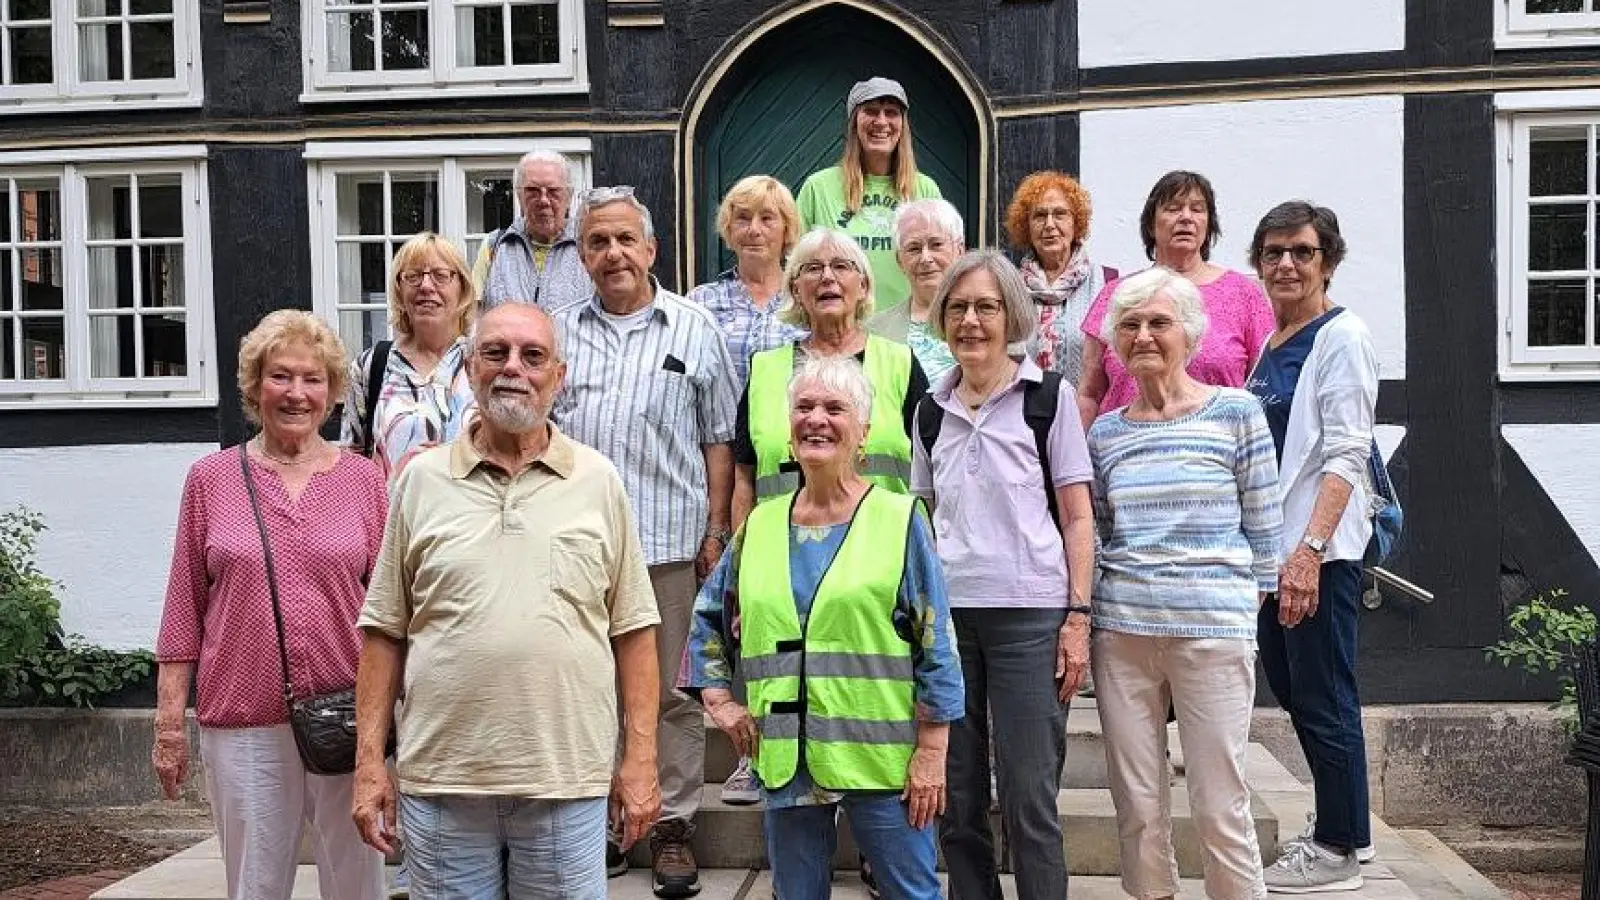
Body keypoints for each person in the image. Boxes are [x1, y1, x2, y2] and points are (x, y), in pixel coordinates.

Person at [350, 303, 663, 899]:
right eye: (495, 353)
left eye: (533, 355)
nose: (512, 368)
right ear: (469, 369)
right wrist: (369, 763)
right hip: (443, 784)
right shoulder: (420, 481)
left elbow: (635, 632)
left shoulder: (597, 481)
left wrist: (640, 759)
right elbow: (384, 630)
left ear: (559, 376)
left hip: (565, 782)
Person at [683, 355, 965, 900]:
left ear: (863, 432)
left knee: (912, 892)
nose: (816, 419)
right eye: (803, 407)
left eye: (835, 408)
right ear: (788, 431)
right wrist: (718, 698)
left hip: (883, 757)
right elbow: (708, 618)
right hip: (786, 755)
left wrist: (932, 752)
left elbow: (938, 642)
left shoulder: (900, 517)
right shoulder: (760, 524)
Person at [153, 310, 388, 900]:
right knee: (256, 885)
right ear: (256, 387)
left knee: (358, 882)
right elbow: (184, 605)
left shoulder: (364, 481)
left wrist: (397, 713)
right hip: (244, 723)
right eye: (280, 377)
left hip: (348, 718)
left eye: (312, 380)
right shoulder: (211, 479)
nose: (296, 393)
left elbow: (391, 610)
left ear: (333, 392)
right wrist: (168, 728)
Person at [552, 186, 739, 899]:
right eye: (597, 242)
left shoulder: (694, 330)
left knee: (670, 698)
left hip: (667, 545)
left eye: (625, 239)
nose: (613, 254)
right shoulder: (557, 333)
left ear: (651, 248)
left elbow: (717, 439)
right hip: (575, 549)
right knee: (583, 692)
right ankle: (599, 822)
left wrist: (716, 531)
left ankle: (670, 829)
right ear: (582, 256)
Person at [1086, 268, 1282, 900]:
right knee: (1138, 804)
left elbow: (1265, 525)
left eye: (1158, 322)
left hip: (1212, 635)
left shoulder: (1236, 413)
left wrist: (1236, 608)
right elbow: (1104, 531)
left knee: (1220, 802)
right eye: (1131, 324)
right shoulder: (1105, 433)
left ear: (1190, 334)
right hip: (1123, 635)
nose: (1143, 335)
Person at [911, 250, 1095, 900]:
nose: (971, 321)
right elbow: (925, 524)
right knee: (958, 798)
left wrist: (1077, 618)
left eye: (985, 306)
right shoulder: (930, 409)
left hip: (1030, 619)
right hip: (951, 624)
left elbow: (1077, 518)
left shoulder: (1049, 398)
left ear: (1010, 314)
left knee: (1028, 795)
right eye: (958, 307)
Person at [1244, 203, 1379, 893]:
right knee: (1299, 693)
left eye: (1301, 251)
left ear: (1327, 259)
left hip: (1317, 556)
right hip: (1277, 554)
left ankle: (1339, 849)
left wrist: (1310, 552)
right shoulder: (1274, 343)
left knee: (1325, 696)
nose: (1286, 264)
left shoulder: (1341, 337)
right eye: (1272, 253)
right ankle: (1343, 830)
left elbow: (1348, 452)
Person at [734, 227, 930, 524]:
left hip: (882, 546)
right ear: (796, 289)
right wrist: (741, 556)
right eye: (813, 268)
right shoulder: (763, 370)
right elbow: (744, 481)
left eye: (841, 266)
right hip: (784, 549)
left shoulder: (900, 364)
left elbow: (932, 473)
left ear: (863, 286)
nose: (827, 277)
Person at [1077, 170, 1274, 430]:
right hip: (1124, 451)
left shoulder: (1244, 294)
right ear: (1150, 224)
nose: (1186, 218)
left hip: (1216, 454)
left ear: (1209, 224)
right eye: (1173, 208)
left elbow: (1266, 387)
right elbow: (1090, 393)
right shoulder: (1117, 294)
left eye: (1197, 209)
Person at [797, 77, 942, 313]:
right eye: (871, 111)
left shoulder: (925, 190)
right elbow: (794, 264)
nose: (881, 121)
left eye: (892, 113)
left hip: (908, 332)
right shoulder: (818, 188)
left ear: (903, 125)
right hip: (839, 329)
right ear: (854, 122)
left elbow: (944, 264)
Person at [343, 232, 478, 483]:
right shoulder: (371, 366)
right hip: (391, 519)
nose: (426, 287)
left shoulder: (482, 364)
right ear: (399, 289)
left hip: (467, 518)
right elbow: (352, 465)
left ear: (463, 289)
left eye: (441, 275)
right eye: (413, 276)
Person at [689, 175, 809, 389]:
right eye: (743, 218)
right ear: (729, 228)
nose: (754, 230)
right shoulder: (701, 301)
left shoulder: (807, 298)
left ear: (786, 229)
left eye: (767, 218)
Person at [1005, 170, 1116, 386]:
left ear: (1077, 224)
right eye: (1039, 216)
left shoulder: (1107, 283)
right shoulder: (1009, 287)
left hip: (1085, 415)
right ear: (1026, 227)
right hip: (1021, 415)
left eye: (1060, 214)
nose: (1049, 224)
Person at [473, 149, 594, 311]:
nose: (543, 200)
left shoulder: (589, 245)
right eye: (532, 191)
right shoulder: (494, 245)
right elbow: (474, 314)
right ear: (519, 195)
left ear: (569, 196)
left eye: (553, 191)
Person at [866, 198, 964, 383]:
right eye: (914, 248)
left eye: (936, 245)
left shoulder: (986, 321)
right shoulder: (875, 331)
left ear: (959, 250)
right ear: (899, 260)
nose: (925, 258)